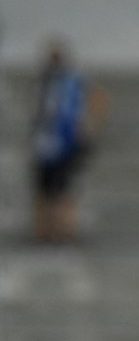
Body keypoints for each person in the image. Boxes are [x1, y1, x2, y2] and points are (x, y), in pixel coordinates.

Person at [30, 39, 106, 242]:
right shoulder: (45, 81)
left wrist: (89, 126)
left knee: (63, 190)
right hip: (44, 145)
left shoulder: (74, 80)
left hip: (65, 145)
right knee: (44, 191)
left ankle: (64, 232)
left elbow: (97, 99)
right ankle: (45, 233)